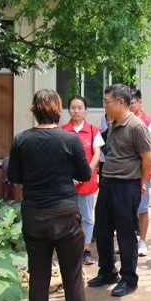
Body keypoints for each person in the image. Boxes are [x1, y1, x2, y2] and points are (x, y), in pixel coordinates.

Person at [7, 89, 103, 301]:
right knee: (72, 275)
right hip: (65, 215)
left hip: (34, 216)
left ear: (34, 110)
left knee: (38, 276)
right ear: (58, 110)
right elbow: (84, 174)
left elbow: (14, 176)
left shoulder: (21, 140)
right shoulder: (69, 139)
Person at [88, 84, 151, 297]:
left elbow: (148, 159)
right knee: (103, 231)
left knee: (125, 233)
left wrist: (140, 182)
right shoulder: (113, 124)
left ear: (121, 102)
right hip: (108, 184)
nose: (104, 105)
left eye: (107, 101)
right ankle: (107, 271)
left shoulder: (136, 127)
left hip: (126, 186)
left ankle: (129, 278)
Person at [61, 95, 104, 265]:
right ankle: (71, 249)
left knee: (86, 217)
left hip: (87, 182)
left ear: (86, 110)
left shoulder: (93, 131)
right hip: (68, 183)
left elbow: (97, 154)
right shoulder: (62, 131)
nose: (76, 111)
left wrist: (84, 173)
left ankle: (85, 250)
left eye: (80, 108)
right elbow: (60, 157)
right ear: (68, 110)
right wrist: (70, 176)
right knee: (68, 217)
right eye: (73, 108)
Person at [129, 89, 151, 257]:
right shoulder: (122, 120)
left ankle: (142, 240)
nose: (130, 106)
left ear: (140, 103)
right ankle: (129, 241)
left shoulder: (150, 122)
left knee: (142, 207)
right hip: (127, 171)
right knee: (128, 208)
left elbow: (150, 145)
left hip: (143, 172)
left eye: (132, 103)